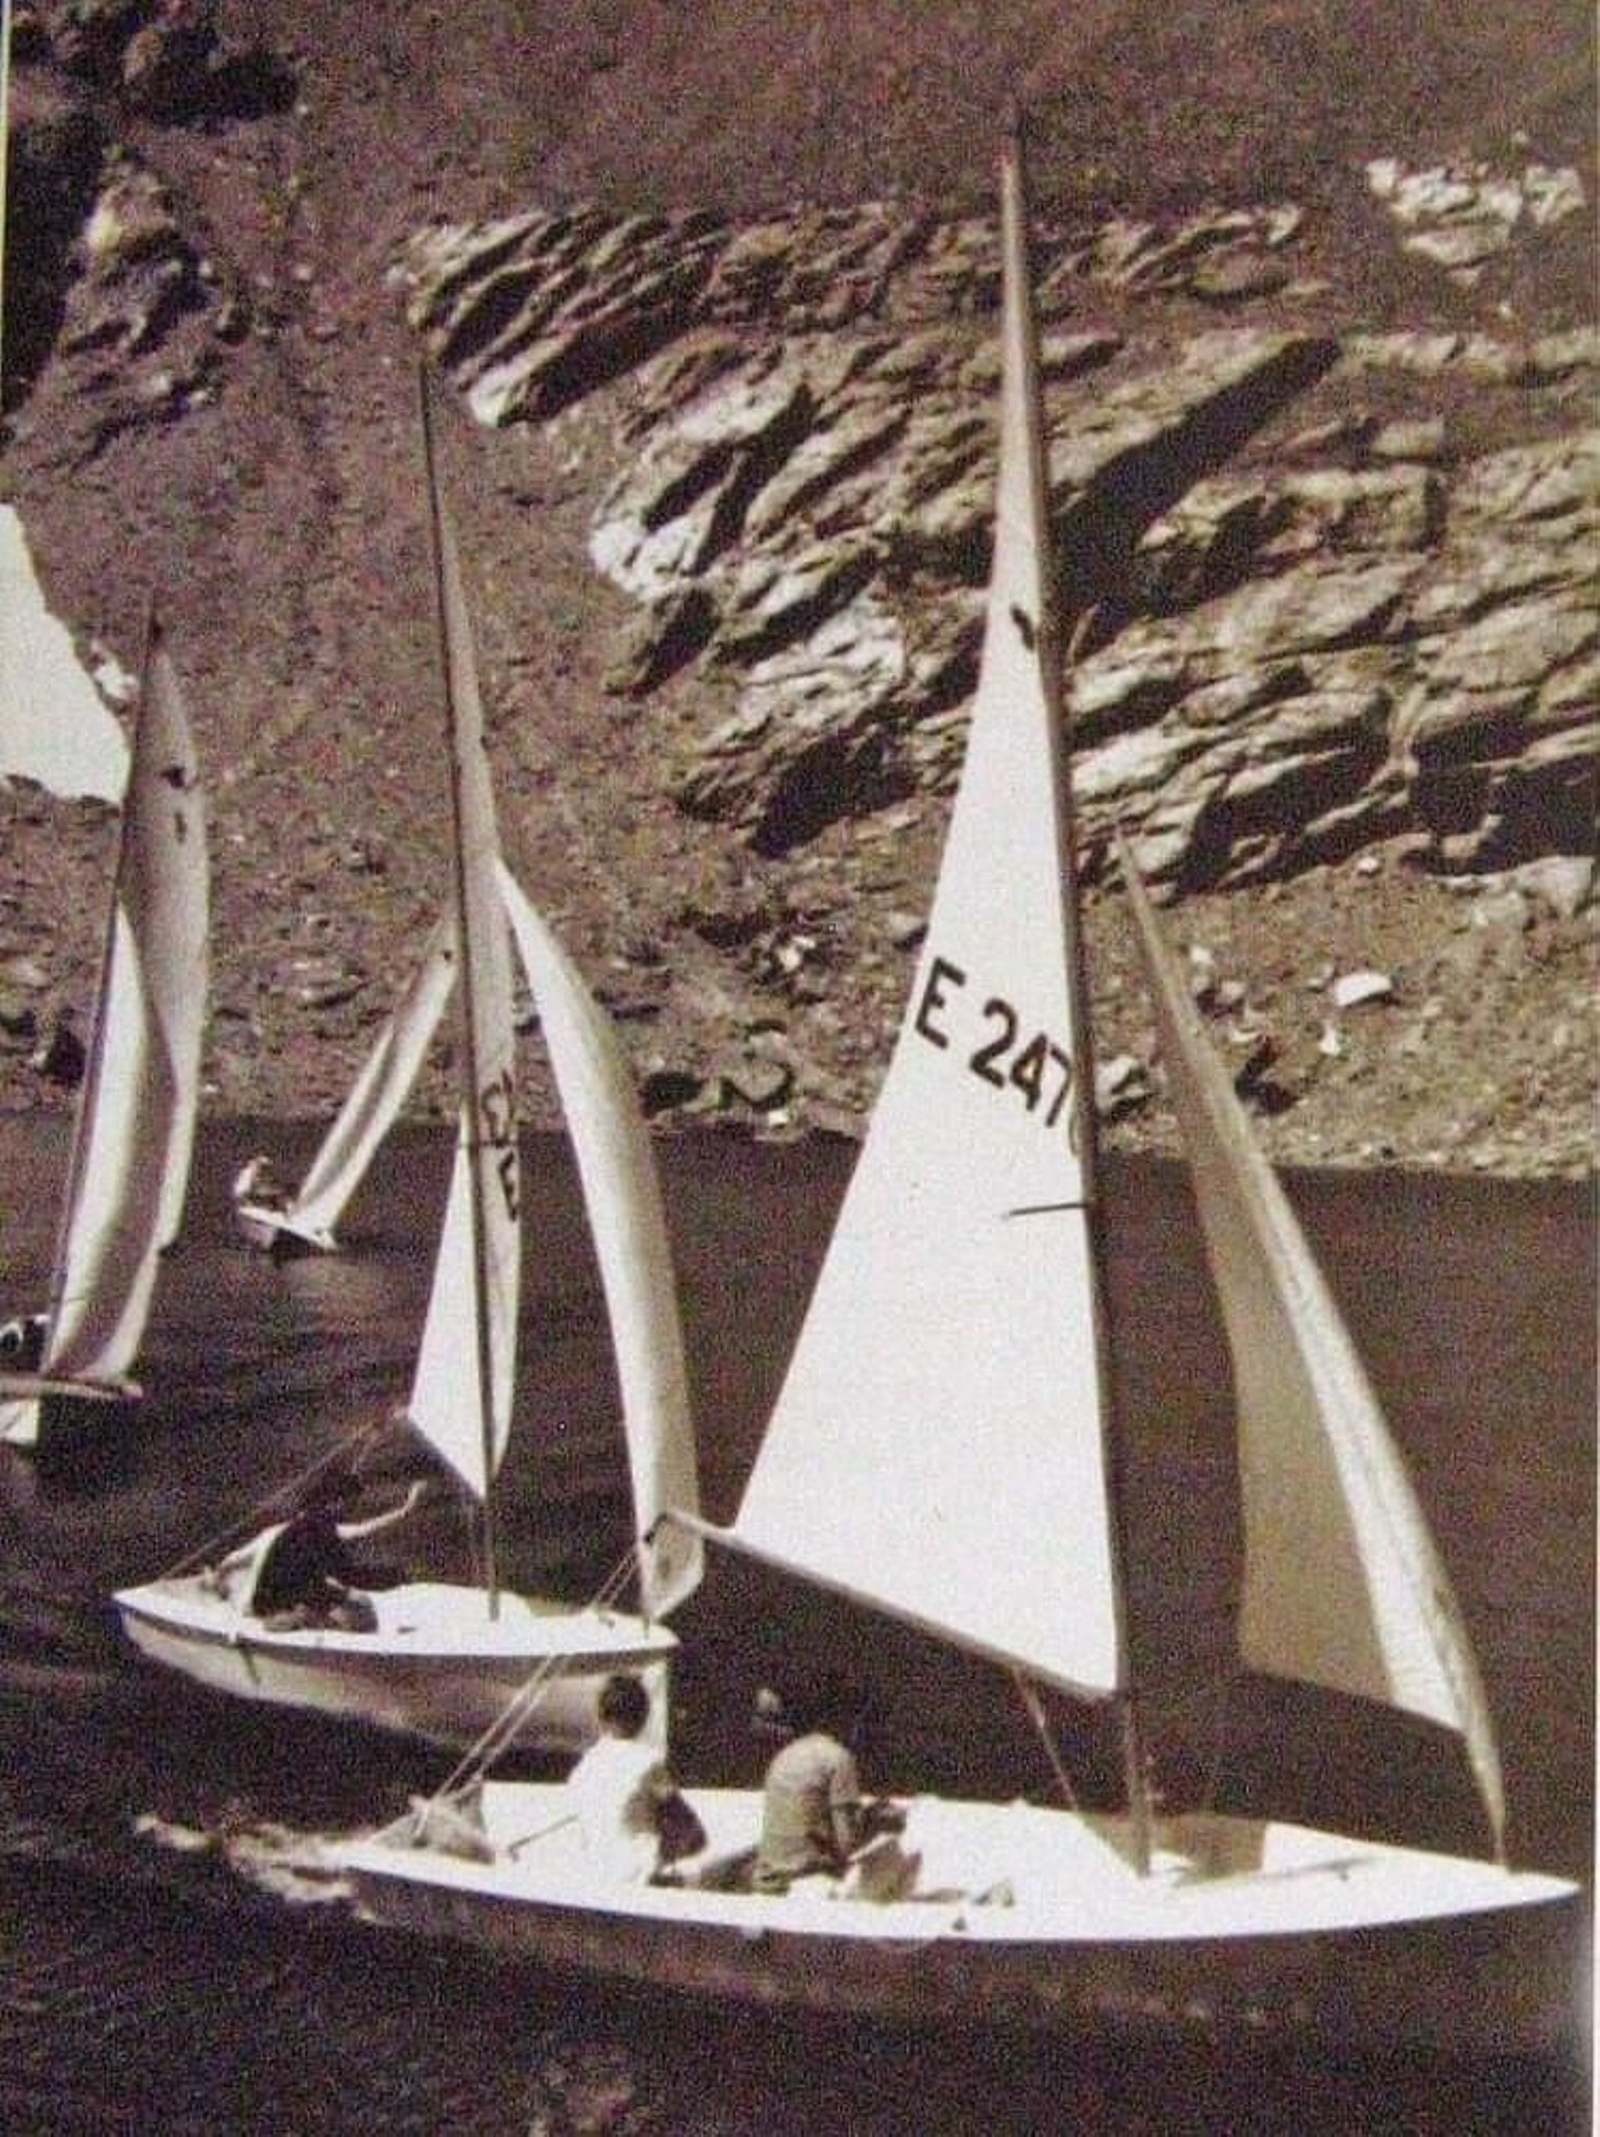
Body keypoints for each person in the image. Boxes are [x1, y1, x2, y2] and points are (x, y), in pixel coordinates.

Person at [212, 1463, 426, 1629]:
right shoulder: (318, 1527)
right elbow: (359, 1534)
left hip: (272, 1598)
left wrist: (217, 1579)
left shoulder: (282, 1531)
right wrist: (405, 1510)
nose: (351, 1511)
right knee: (353, 1612)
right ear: (336, 1502)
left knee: (346, 1599)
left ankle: (300, 1617)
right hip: (274, 1605)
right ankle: (296, 1620)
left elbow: (232, 1560)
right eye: (351, 1505)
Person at [752, 1676, 907, 1896]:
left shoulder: (785, 1755)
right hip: (807, 1884)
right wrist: (878, 1822)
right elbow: (848, 1843)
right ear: (849, 1722)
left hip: (768, 1879)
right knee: (894, 1855)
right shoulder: (838, 1759)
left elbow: (810, 1820)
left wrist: (864, 1816)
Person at [564, 1672, 704, 1884]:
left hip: (593, 1880)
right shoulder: (648, 1763)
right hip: (639, 1879)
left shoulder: (582, 1770)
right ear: (644, 1717)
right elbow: (691, 1829)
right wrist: (668, 1852)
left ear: (600, 1717)